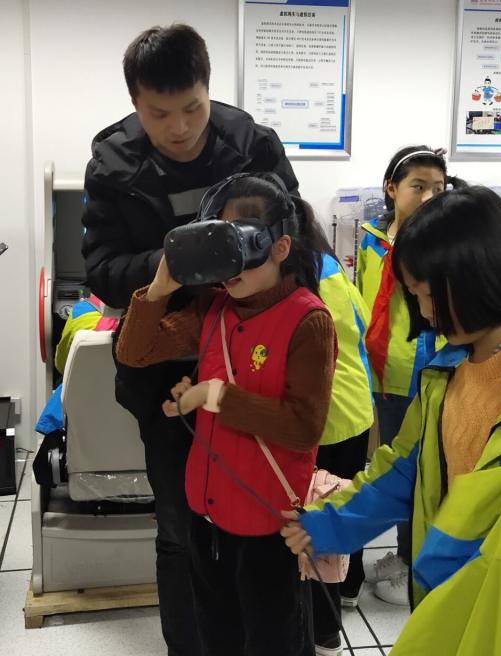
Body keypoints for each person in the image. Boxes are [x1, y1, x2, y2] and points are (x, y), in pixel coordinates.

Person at [81, 24, 298, 655]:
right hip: (166, 372)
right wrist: (176, 261)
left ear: (208, 88)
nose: (179, 128)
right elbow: (101, 270)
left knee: (264, 515)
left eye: (192, 108)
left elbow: (296, 237)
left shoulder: (252, 145)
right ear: (135, 103)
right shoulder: (113, 165)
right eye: (159, 114)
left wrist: (245, 254)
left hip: (254, 357)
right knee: (181, 525)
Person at [281, 185, 501, 610]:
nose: (425, 312)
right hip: (448, 596)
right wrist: (325, 524)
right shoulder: (443, 373)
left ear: (475, 277)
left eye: (426, 294)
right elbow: (403, 469)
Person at [116, 174, 335, 656]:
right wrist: (160, 287)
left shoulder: (308, 319)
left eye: (241, 247)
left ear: (279, 247)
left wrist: (215, 395)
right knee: (217, 635)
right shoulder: (215, 309)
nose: (228, 267)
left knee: (272, 640)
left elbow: (303, 427)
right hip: (206, 512)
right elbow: (135, 353)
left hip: (270, 522)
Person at [356, 145, 446, 604]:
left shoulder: (442, 244)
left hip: (429, 372)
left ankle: (416, 564)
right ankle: (405, 552)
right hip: (384, 373)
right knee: (395, 466)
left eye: (438, 188)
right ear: (391, 189)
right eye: (419, 186)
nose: (430, 197)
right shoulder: (371, 240)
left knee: (425, 473)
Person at [311, 253, 375, 655]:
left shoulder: (294, 275)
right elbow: (364, 320)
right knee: (348, 503)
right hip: (356, 404)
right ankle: (351, 585)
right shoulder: (333, 268)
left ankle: (324, 625)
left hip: (323, 414)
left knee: (320, 514)